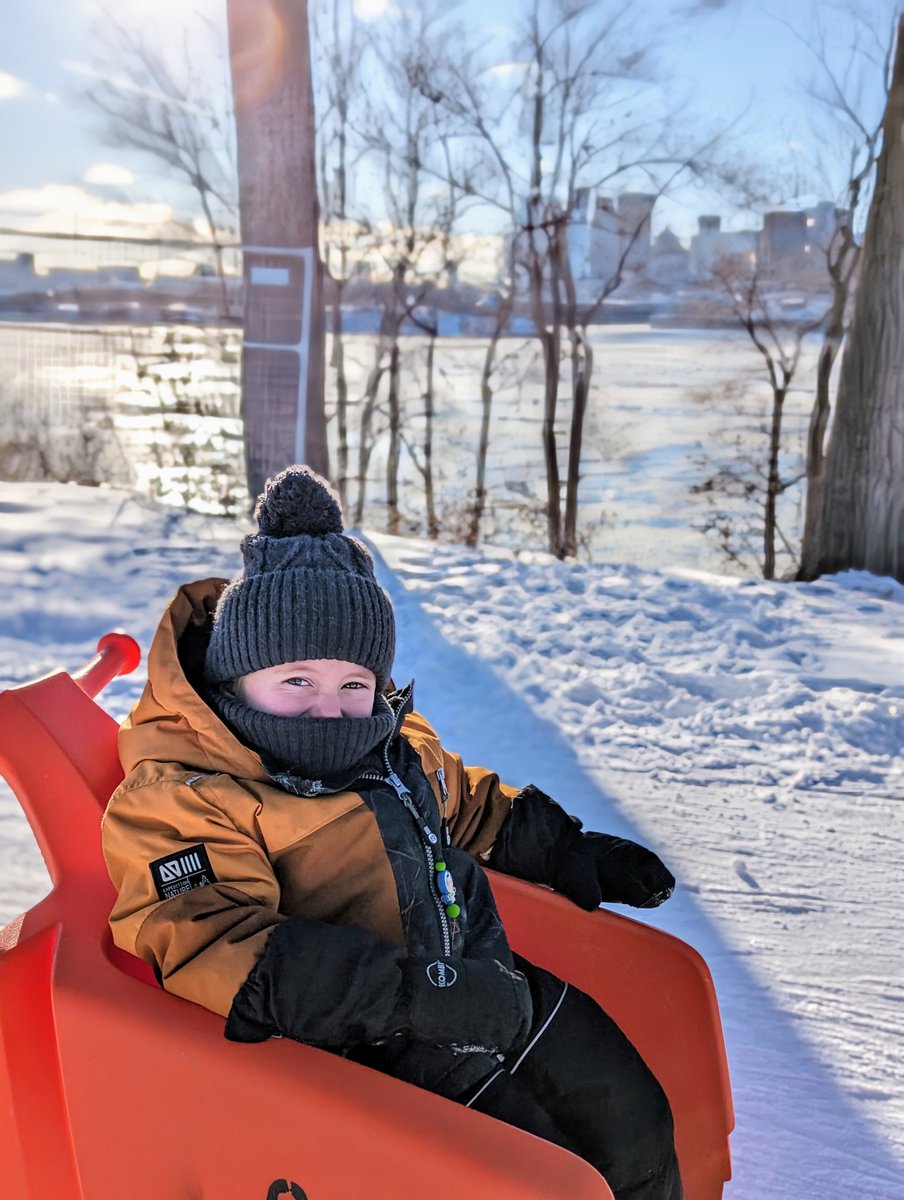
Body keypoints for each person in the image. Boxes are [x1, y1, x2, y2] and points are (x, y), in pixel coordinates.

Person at [102, 465, 681, 1199]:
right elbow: (211, 938)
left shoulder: (392, 745)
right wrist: (410, 994)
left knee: (631, 1121)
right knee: (542, 1179)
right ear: (233, 681)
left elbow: (464, 804)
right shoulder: (185, 797)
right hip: (365, 1046)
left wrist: (573, 851)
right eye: (296, 682)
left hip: (475, 980)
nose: (330, 711)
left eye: (353, 684)